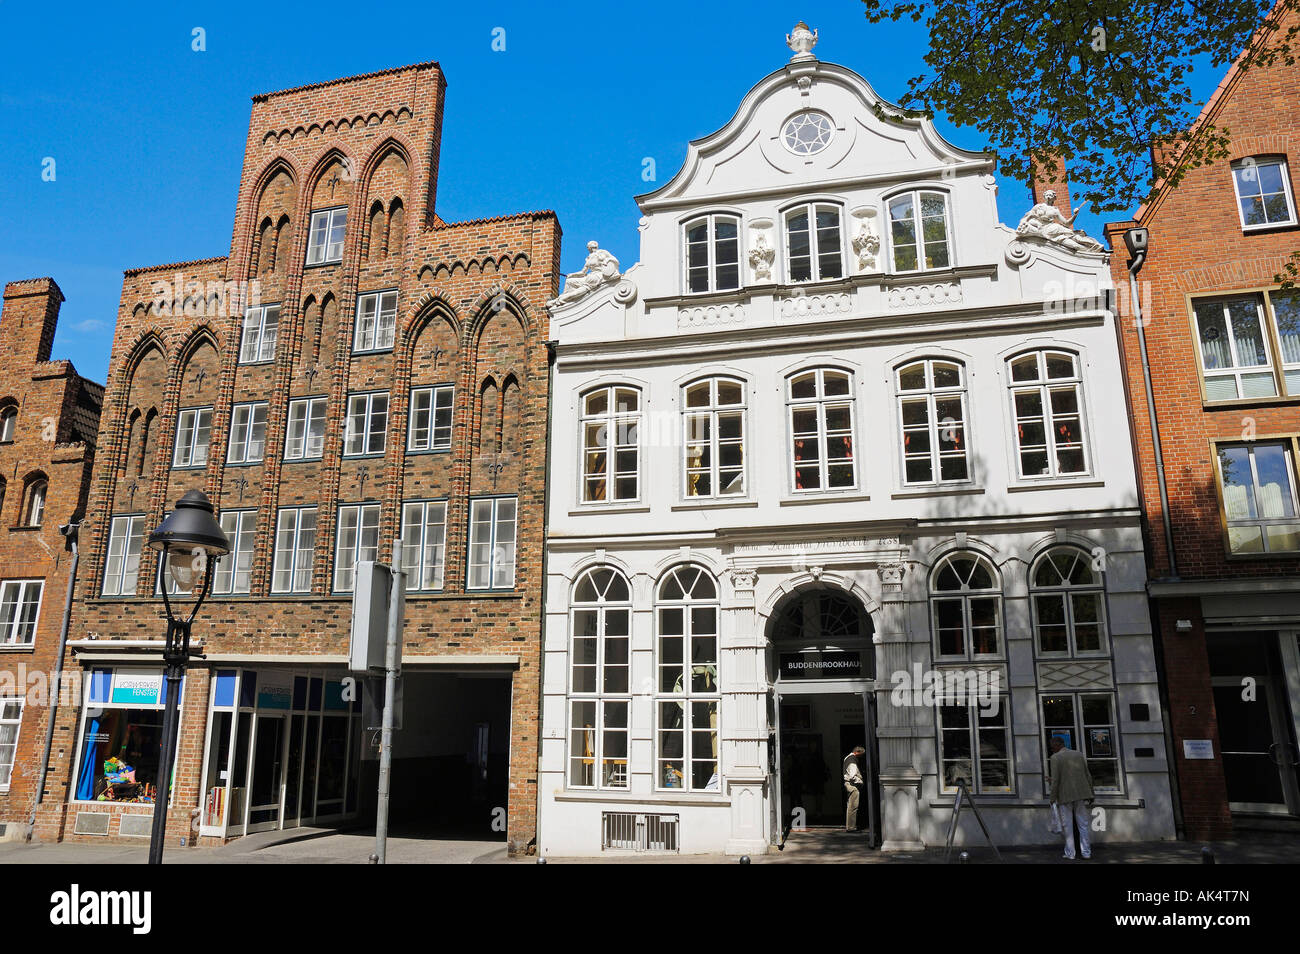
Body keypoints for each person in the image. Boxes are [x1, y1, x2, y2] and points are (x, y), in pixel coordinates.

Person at [1049, 736, 1095, 859]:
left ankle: (1071, 853)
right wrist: (1091, 793)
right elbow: (1087, 775)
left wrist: (1052, 797)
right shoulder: (1079, 755)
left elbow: (1056, 781)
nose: (1052, 750)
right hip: (1081, 794)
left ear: (1058, 745)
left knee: (1067, 826)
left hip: (1065, 795)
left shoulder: (1055, 758)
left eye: (1052, 747)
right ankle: (1086, 852)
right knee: (1083, 824)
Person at [842, 746, 866, 832]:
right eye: (861, 755)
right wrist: (860, 781)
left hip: (848, 784)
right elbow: (852, 775)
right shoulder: (852, 760)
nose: (861, 757)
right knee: (853, 806)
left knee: (850, 806)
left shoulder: (847, 758)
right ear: (857, 752)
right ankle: (851, 827)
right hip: (852, 785)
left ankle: (850, 826)